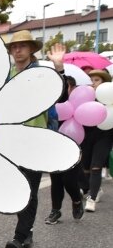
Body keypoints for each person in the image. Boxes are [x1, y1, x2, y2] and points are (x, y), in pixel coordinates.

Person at [3, 31, 67, 248]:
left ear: (31, 49)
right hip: (9, 139)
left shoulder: (42, 72)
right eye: (14, 46)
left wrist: (59, 69)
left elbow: (61, 98)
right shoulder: (6, 73)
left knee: (29, 188)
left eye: (22, 46)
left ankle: (19, 239)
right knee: (17, 187)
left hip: (35, 139)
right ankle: (27, 231)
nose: (17, 50)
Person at [45, 75, 85, 224]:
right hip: (54, 145)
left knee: (69, 180)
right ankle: (55, 211)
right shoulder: (50, 102)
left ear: (72, 88)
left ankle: (76, 200)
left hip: (73, 144)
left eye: (65, 86)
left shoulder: (78, 103)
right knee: (55, 179)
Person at [80, 68, 113, 212]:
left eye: (97, 80)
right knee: (86, 169)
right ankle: (95, 190)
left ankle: (91, 199)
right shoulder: (85, 97)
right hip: (87, 136)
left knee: (96, 167)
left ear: (104, 82)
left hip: (104, 136)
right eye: (91, 80)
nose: (93, 83)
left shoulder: (109, 97)